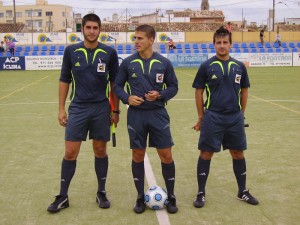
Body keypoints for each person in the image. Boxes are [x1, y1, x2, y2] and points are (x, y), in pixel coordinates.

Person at [47, 13, 120, 213]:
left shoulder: (109, 53)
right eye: (88, 27)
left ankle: (101, 192)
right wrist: (61, 108)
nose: (91, 31)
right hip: (78, 108)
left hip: (101, 108)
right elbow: (64, 80)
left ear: (100, 30)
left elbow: (114, 84)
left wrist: (116, 109)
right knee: (70, 152)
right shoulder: (71, 51)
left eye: (95, 28)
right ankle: (63, 196)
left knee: (100, 151)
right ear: (82, 29)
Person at [114, 24, 179, 214]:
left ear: (151, 40)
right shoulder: (127, 63)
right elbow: (117, 86)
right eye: (135, 38)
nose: (136, 42)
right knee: (137, 155)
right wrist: (127, 98)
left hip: (158, 114)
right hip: (136, 116)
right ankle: (140, 197)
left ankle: (172, 196)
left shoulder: (163, 63)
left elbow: (174, 87)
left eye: (140, 38)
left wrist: (159, 95)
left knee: (166, 155)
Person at [192, 26, 259, 208]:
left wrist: (241, 114)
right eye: (219, 42)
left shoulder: (239, 67)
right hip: (212, 116)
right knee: (206, 153)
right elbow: (198, 93)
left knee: (238, 153)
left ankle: (242, 191)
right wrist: (201, 116)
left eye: (225, 42)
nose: (222, 46)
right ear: (214, 44)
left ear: (231, 44)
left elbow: (244, 91)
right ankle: (200, 193)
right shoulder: (206, 66)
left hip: (234, 118)